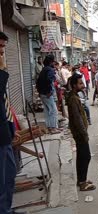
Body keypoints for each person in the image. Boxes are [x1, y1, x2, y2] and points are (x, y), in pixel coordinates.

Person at [0, 31, 26, 214]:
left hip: (5, 135)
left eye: (3, 47)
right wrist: (2, 71)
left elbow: (3, 105)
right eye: (0, 47)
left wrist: (11, 128)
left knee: (9, 176)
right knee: (3, 179)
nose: (2, 52)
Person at [67, 73, 96, 191]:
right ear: (74, 85)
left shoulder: (75, 96)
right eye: (80, 83)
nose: (83, 85)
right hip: (79, 133)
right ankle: (83, 183)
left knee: (81, 156)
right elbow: (77, 119)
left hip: (79, 132)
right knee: (86, 156)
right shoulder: (73, 98)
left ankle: (81, 180)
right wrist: (84, 133)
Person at [36, 55, 61, 134]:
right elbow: (49, 80)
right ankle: (53, 128)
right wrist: (49, 91)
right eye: (53, 61)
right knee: (53, 110)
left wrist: (40, 92)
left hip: (43, 93)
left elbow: (38, 82)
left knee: (47, 111)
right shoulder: (49, 70)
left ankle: (50, 127)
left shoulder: (44, 70)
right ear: (51, 62)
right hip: (47, 94)